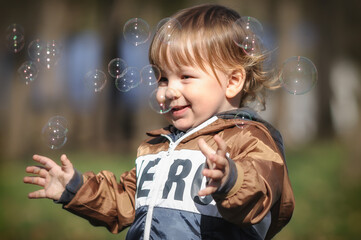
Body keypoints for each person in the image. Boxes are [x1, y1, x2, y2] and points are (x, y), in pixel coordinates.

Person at [24, 4, 295, 240]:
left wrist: (231, 178)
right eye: (163, 78)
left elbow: (262, 193)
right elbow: (125, 200)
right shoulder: (156, 147)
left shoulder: (249, 139)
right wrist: (75, 188)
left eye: (185, 77)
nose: (169, 90)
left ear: (233, 81)